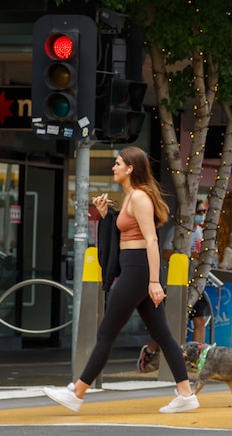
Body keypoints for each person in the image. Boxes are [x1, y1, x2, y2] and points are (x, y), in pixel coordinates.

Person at [43, 146, 199, 414]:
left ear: (130, 168)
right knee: (162, 334)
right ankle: (186, 393)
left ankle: (77, 392)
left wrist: (153, 281)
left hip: (139, 271)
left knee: (106, 333)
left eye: (117, 163)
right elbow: (126, 233)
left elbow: (151, 239)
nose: (113, 167)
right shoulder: (130, 197)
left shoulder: (139, 197)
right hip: (136, 269)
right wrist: (106, 216)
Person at [138, 199, 208, 372]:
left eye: (203, 212)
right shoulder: (178, 231)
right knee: (169, 322)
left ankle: (196, 359)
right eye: (198, 212)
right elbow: (165, 253)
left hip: (195, 282)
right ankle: (150, 350)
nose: (201, 216)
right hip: (177, 283)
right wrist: (188, 255)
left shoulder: (201, 232)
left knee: (200, 320)